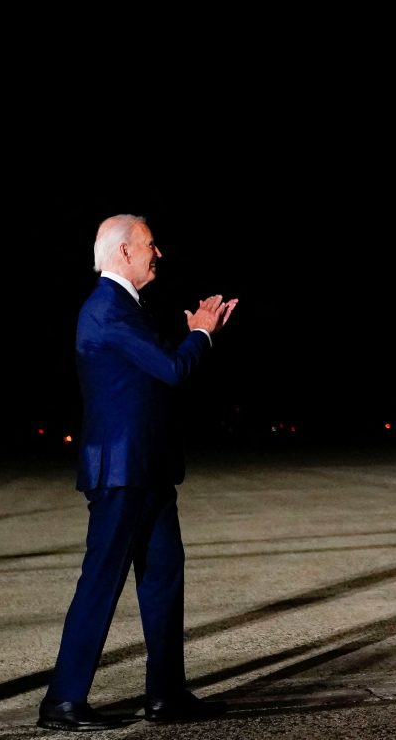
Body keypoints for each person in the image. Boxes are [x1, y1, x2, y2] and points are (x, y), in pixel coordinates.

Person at [38, 214, 238, 731]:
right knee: (101, 584)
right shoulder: (107, 309)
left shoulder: (126, 307)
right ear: (124, 252)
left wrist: (198, 335)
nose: (158, 253)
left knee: (164, 580)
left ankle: (166, 694)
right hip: (122, 473)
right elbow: (171, 369)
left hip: (148, 470)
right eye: (151, 244)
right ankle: (62, 701)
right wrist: (201, 334)